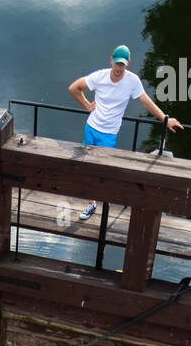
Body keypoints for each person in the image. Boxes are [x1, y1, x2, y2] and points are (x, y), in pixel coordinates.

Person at [69, 46, 183, 220]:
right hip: (91, 127)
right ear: (111, 60)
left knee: (103, 170)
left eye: (122, 64)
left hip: (108, 134)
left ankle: (102, 201)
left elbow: (145, 102)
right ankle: (92, 203)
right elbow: (74, 88)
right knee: (87, 166)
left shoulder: (132, 81)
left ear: (128, 63)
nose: (119, 68)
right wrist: (86, 105)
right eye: (117, 63)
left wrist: (165, 119)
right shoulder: (99, 77)